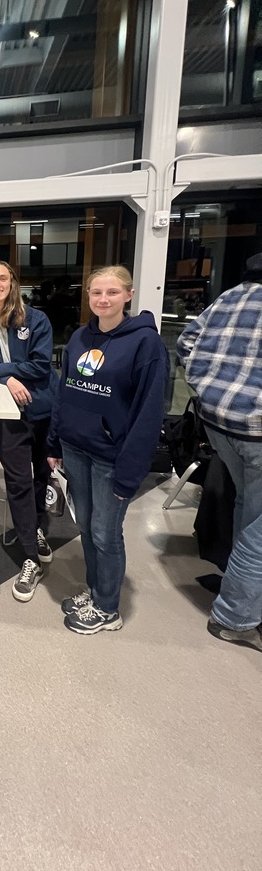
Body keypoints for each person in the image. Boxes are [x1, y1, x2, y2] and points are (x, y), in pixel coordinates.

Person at [47, 265, 168, 635]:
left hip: (110, 457)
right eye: (96, 292)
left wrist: (130, 473)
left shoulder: (146, 344)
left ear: (128, 296)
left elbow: (148, 415)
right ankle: (95, 589)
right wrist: (54, 441)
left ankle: (108, 608)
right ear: (88, 296)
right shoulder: (80, 338)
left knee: (105, 532)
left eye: (112, 293)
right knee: (85, 526)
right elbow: (63, 394)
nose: (103, 299)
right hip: (75, 448)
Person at [176, 252, 262, 652]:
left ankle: (238, 586)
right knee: (258, 527)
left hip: (219, 424)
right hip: (258, 430)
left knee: (247, 508)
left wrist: (208, 391)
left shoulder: (228, 298)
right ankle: (235, 618)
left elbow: (186, 342)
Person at [0, 261, 56, 603]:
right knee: (18, 481)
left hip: (44, 407)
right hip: (8, 414)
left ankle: (36, 529)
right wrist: (8, 379)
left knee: (41, 476)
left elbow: (40, 364)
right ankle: (31, 557)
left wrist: (2, 370)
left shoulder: (36, 319)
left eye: (2, 278)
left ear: (13, 282)